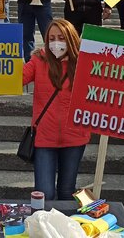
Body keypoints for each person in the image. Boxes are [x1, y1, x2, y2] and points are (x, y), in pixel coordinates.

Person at [22, 18, 89, 200]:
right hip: (45, 138)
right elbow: (17, 78)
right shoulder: (39, 60)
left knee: (67, 191)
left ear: (71, 39)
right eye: (51, 39)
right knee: (45, 193)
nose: (56, 43)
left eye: (61, 38)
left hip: (75, 137)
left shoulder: (84, 62)